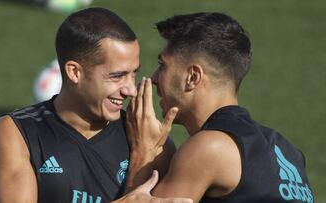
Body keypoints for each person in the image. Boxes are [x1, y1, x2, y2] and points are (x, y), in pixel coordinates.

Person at [0, 7, 191, 203]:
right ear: (75, 72)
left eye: (134, 74)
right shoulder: (18, 133)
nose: (131, 89)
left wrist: (145, 155)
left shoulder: (151, 142)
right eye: (117, 76)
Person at [125, 12, 315, 203]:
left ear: (192, 77)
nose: (154, 78)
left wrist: (143, 152)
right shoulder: (289, 153)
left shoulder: (208, 148)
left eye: (162, 65)